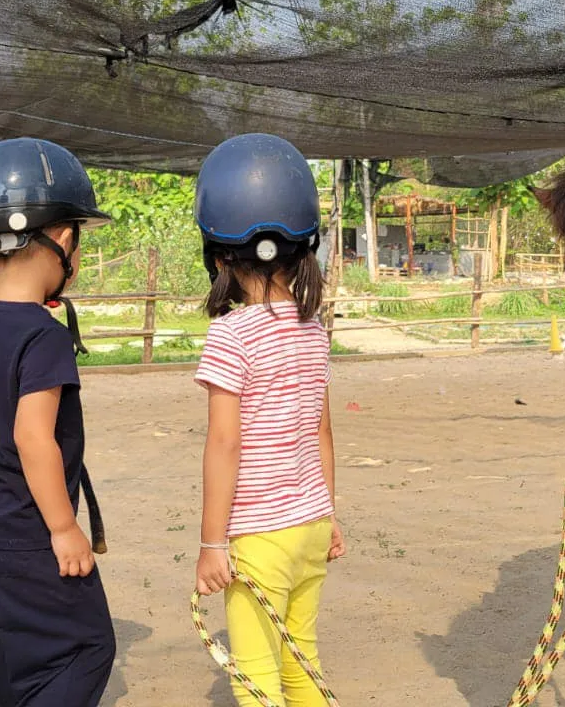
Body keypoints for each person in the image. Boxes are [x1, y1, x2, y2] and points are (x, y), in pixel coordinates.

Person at [0, 137, 115, 706]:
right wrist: (64, 528)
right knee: (88, 648)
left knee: (11, 665)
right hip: (30, 533)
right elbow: (32, 437)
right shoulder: (45, 336)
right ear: (63, 240)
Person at [192, 133, 347, 706]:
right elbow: (321, 432)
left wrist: (213, 543)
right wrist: (328, 513)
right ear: (303, 248)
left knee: (255, 675)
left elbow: (224, 445)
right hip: (310, 527)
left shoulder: (229, 335)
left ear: (216, 255)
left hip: (260, 536)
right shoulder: (315, 331)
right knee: (300, 657)